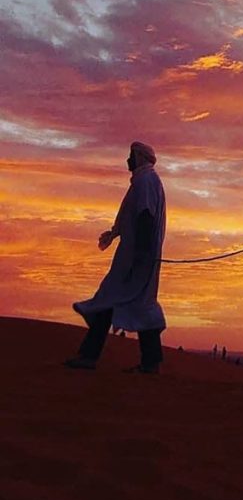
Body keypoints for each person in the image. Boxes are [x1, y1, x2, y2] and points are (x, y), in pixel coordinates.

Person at [65, 141, 167, 374]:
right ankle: (149, 362)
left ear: (139, 157)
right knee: (134, 304)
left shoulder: (145, 181)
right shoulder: (146, 180)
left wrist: (141, 253)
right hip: (137, 258)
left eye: (131, 155)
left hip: (136, 259)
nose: (127, 160)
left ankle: (90, 356)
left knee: (111, 300)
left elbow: (145, 215)